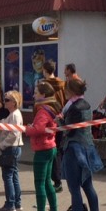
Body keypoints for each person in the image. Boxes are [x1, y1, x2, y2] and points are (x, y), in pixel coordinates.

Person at [57, 77, 101, 211]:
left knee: (74, 188)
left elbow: (69, 130)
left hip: (74, 149)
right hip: (88, 148)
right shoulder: (87, 104)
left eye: (66, 89)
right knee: (88, 186)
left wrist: (59, 121)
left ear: (71, 91)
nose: (64, 92)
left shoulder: (74, 107)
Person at [22, 81, 60, 211]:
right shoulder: (52, 108)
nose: (33, 95)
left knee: (39, 183)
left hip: (42, 149)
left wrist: (27, 129)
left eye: (36, 92)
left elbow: (38, 129)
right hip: (50, 147)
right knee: (47, 182)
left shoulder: (42, 111)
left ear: (43, 95)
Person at [0, 90, 24, 211]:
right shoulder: (12, 114)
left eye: (7, 100)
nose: (4, 102)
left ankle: (10, 204)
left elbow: (14, 134)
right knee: (13, 175)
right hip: (14, 148)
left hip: (11, 148)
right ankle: (17, 202)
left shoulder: (15, 115)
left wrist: (3, 144)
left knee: (8, 176)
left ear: (14, 102)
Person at [41, 61, 66, 193]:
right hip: (60, 118)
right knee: (57, 150)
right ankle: (56, 179)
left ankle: (55, 180)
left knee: (49, 150)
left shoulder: (44, 85)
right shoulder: (62, 84)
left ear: (45, 70)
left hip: (49, 120)